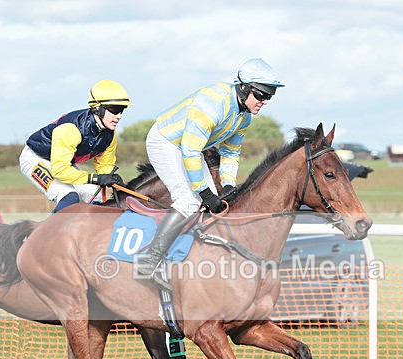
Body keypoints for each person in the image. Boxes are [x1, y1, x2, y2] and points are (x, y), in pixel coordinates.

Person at [137, 58, 284, 289]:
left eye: (269, 96)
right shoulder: (213, 103)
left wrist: (226, 185)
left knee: (212, 201)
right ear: (244, 87)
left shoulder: (244, 116)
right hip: (166, 141)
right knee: (188, 200)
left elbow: (231, 152)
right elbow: (190, 150)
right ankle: (149, 260)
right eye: (261, 95)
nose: (264, 101)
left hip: (189, 147)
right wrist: (205, 192)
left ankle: (188, 257)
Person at [19, 80, 131, 212]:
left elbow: (104, 166)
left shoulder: (110, 135)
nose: (119, 116)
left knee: (98, 198)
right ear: (98, 109)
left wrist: (111, 179)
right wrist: (95, 178)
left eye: (122, 111)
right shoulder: (70, 129)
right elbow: (60, 170)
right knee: (69, 197)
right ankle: (50, 232)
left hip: (63, 163)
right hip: (36, 158)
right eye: (115, 110)